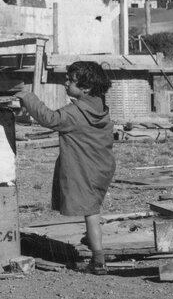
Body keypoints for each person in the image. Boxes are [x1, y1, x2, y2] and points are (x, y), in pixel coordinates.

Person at [15, 61, 115, 275]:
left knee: (91, 212)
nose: (65, 83)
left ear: (85, 88)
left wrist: (28, 97)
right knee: (93, 205)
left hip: (84, 168)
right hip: (103, 167)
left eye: (70, 80)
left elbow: (50, 119)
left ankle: (98, 261)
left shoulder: (74, 113)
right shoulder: (100, 106)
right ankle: (90, 237)